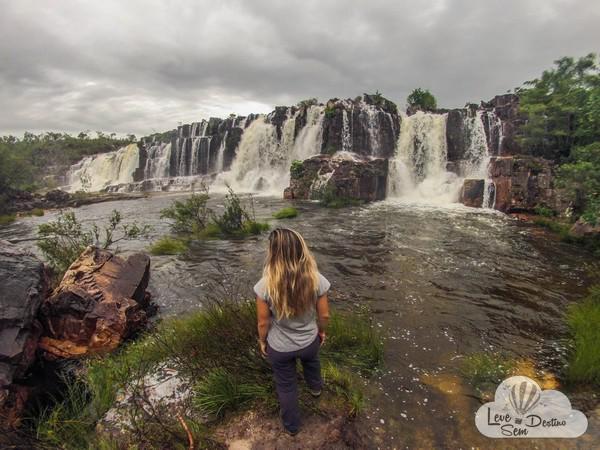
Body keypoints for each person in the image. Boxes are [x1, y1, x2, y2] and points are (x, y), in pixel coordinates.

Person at [254, 227, 330, 436]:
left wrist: (262, 342)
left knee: (286, 387)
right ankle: (315, 389)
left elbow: (263, 322)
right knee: (312, 363)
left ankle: (292, 427)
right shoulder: (316, 279)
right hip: (309, 342)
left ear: (273, 252)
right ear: (301, 249)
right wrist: (321, 333)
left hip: (280, 348)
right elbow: (324, 316)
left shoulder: (264, 285)